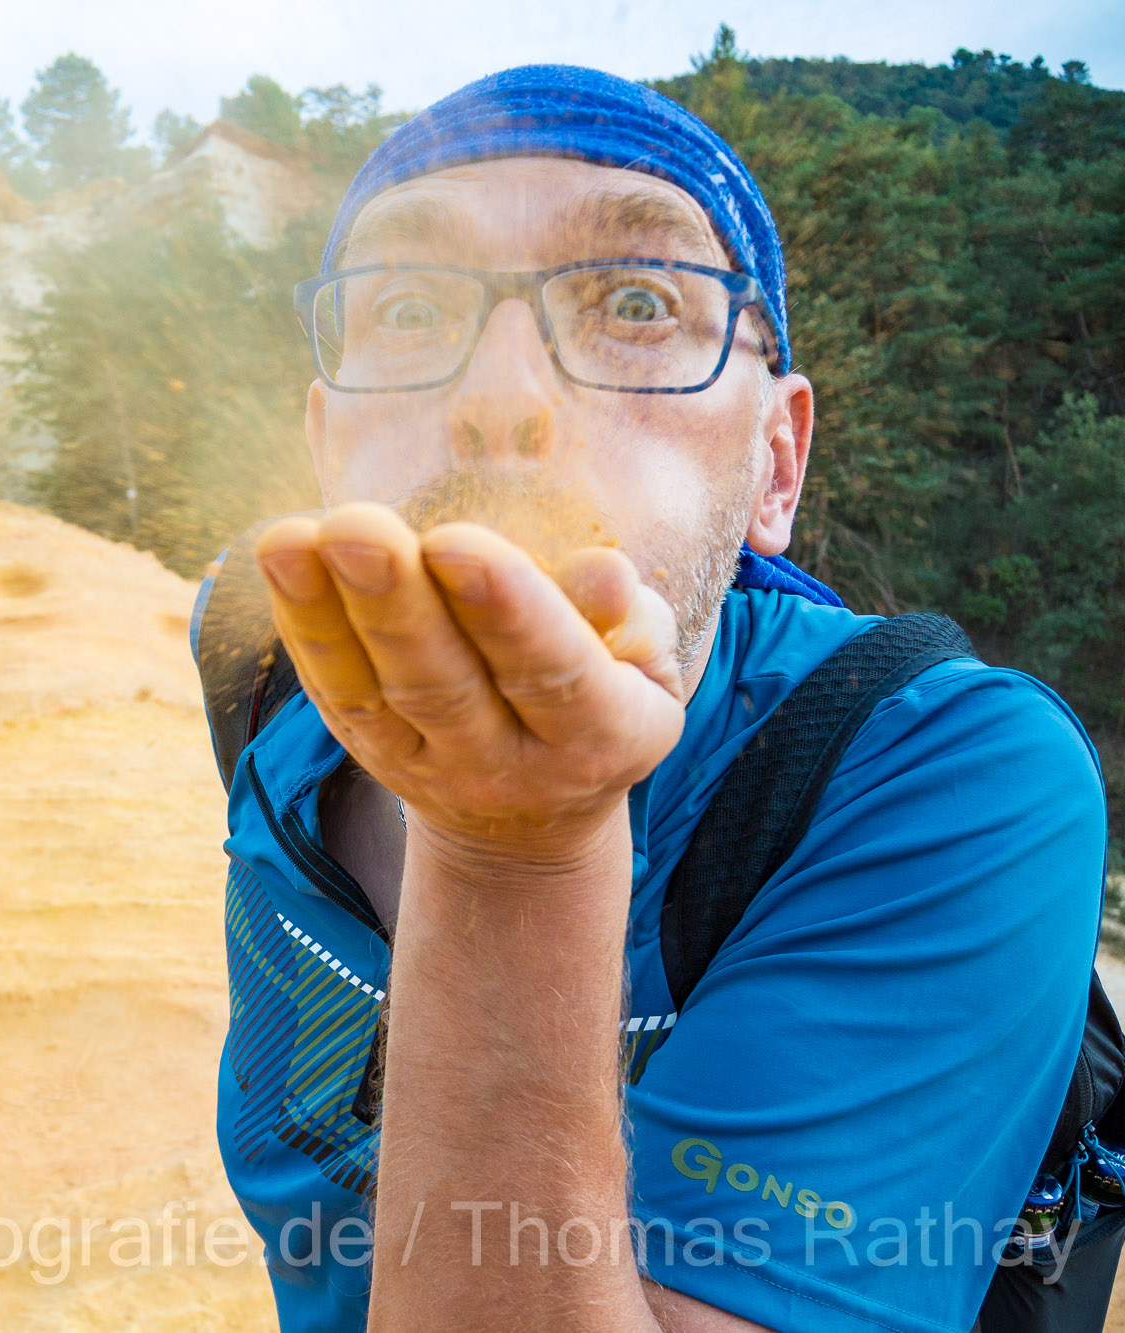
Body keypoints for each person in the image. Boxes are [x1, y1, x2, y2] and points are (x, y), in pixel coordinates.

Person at [192, 65, 1108, 1331]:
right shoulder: (263, 674)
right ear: (324, 440)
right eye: (405, 306)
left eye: (634, 301)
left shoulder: (944, 769)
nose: (499, 403)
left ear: (772, 466)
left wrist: (514, 851)